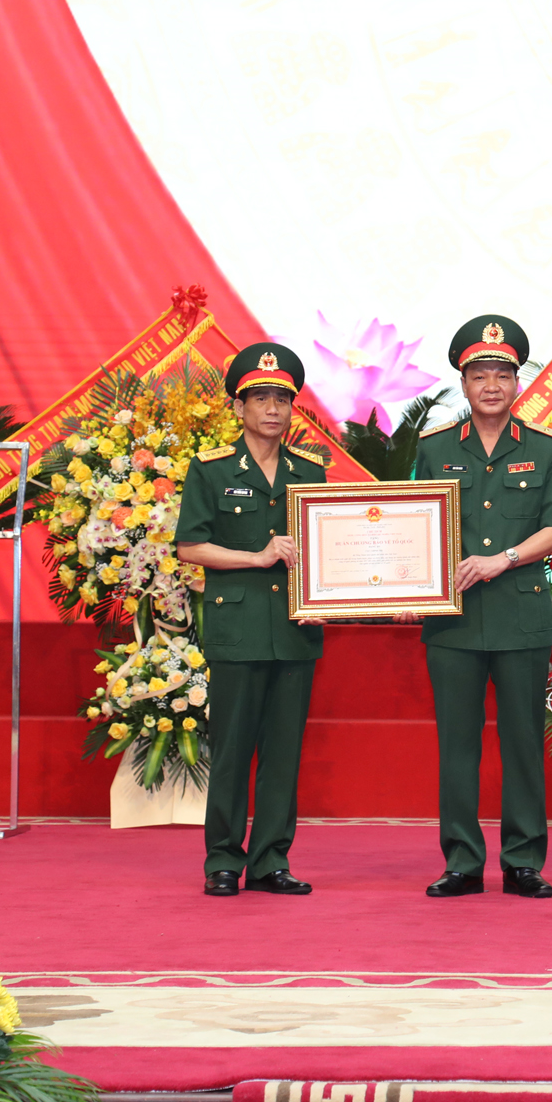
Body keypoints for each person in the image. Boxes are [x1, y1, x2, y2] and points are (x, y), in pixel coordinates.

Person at [407, 316, 552, 899]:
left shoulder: (546, 450)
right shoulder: (433, 450)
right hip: (450, 619)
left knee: (523, 742)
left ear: (517, 382)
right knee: (457, 744)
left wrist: (505, 556)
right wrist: (404, 587)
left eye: (503, 373)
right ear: (463, 380)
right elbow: (410, 528)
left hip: (520, 614)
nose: (492, 385)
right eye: (480, 374)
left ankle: (524, 861)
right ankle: (462, 861)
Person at [176, 343, 329, 898]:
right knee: (234, 750)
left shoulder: (311, 473)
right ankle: (222, 860)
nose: (272, 409)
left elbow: (332, 551)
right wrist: (256, 557)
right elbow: (191, 547)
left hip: (294, 629)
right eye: (260, 398)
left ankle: (270, 861)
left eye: (282, 400)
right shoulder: (212, 469)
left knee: (283, 755)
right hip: (237, 629)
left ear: (294, 410)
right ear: (238, 408)